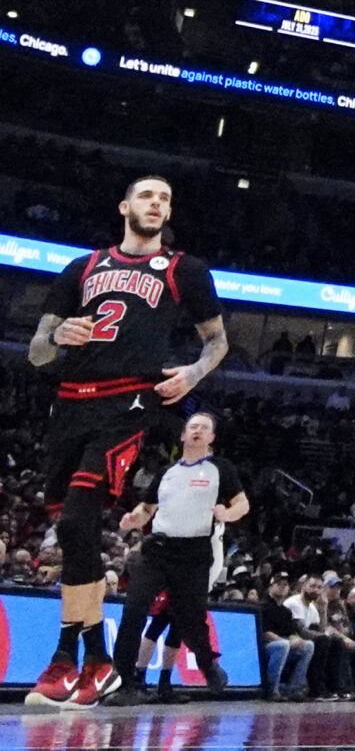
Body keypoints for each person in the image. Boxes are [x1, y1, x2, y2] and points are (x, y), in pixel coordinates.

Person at [25, 174, 229, 708]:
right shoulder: (82, 267)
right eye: (146, 195)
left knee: (76, 521)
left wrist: (194, 374)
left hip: (128, 403)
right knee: (74, 535)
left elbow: (218, 341)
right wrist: (56, 335)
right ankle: (94, 660)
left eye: (164, 198)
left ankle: (68, 657)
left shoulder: (185, 269)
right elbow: (37, 353)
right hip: (70, 404)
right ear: (124, 207)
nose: (156, 204)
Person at [103, 412, 245, 702]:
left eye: (204, 428)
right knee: (134, 609)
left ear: (211, 438)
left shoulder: (221, 468)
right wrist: (135, 517)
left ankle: (207, 664)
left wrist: (227, 514)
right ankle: (124, 683)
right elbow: (148, 507)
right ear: (182, 435)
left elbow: (242, 503)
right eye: (193, 426)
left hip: (193, 554)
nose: (197, 431)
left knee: (190, 619)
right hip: (157, 550)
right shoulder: (166, 472)